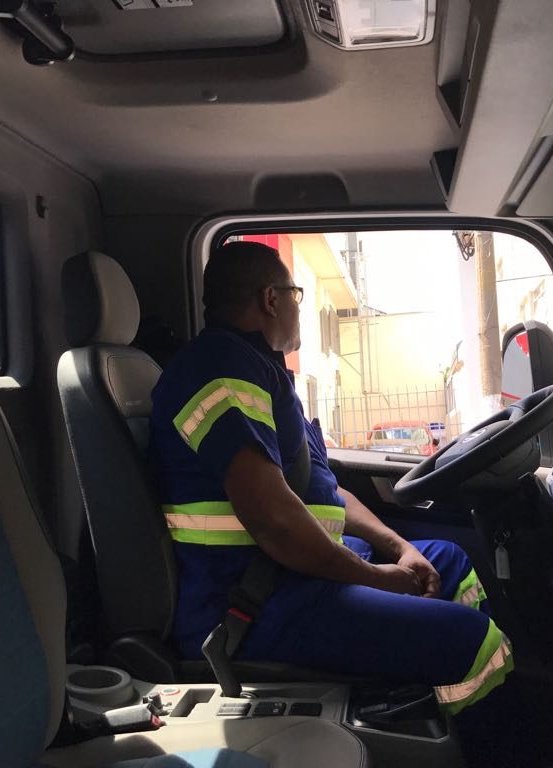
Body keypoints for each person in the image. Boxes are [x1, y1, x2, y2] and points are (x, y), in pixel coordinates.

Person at [149, 240, 512, 714]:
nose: (298, 307)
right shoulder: (219, 368)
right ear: (271, 299)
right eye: (296, 295)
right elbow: (276, 521)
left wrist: (396, 547)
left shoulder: (259, 369)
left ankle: (429, 714)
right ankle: (461, 734)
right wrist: (377, 578)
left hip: (299, 575)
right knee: (476, 641)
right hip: (255, 604)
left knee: (450, 563)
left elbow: (324, 492)